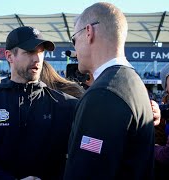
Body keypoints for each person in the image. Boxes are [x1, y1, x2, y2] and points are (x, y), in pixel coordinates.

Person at [0, 26, 78, 180]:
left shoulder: (66, 105)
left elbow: (81, 158)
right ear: (9, 56)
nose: (37, 59)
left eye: (41, 52)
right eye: (30, 52)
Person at [63, 2, 155, 179]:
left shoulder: (103, 94)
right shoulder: (131, 80)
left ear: (89, 32)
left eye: (74, 39)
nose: (74, 50)